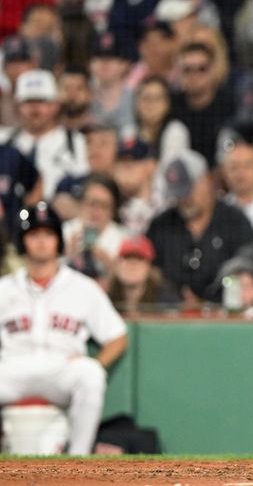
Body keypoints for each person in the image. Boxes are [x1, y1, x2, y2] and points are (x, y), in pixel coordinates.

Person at [0, 202, 128, 455]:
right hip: (14, 368)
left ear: (58, 241)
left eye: (48, 234)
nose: (41, 242)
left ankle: (78, 462)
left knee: (90, 374)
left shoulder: (83, 287)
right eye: (34, 234)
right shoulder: (4, 288)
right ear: (22, 241)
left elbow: (118, 336)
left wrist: (97, 362)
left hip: (60, 369)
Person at [146, 150, 253, 305]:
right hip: (170, 315)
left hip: (225, 317)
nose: (184, 199)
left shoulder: (235, 222)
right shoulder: (161, 226)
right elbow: (151, 274)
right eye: (178, 193)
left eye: (189, 190)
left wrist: (205, 305)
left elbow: (247, 275)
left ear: (208, 179)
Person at [1, 69, 88, 201]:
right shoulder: (3, 141)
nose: (35, 109)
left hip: (58, 216)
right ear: (17, 106)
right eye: (28, 101)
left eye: (42, 101)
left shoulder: (77, 142)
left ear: (55, 105)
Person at [170, 42, 235, 168]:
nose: (195, 75)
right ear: (179, 72)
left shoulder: (230, 104)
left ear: (213, 71)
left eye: (202, 69)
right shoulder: (172, 105)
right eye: (187, 69)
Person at [122, 76, 189, 166]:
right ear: (136, 103)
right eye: (146, 98)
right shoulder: (129, 131)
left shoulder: (175, 131)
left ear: (167, 104)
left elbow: (170, 171)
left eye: (157, 98)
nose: (150, 104)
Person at [107, 235, 180, 314]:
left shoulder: (165, 298)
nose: (132, 265)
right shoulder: (105, 298)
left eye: (139, 259)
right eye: (127, 258)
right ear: (117, 265)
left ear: (149, 267)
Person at [221, 139, 253, 240]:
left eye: (247, 166)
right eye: (234, 167)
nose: (240, 173)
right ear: (224, 172)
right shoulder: (219, 210)